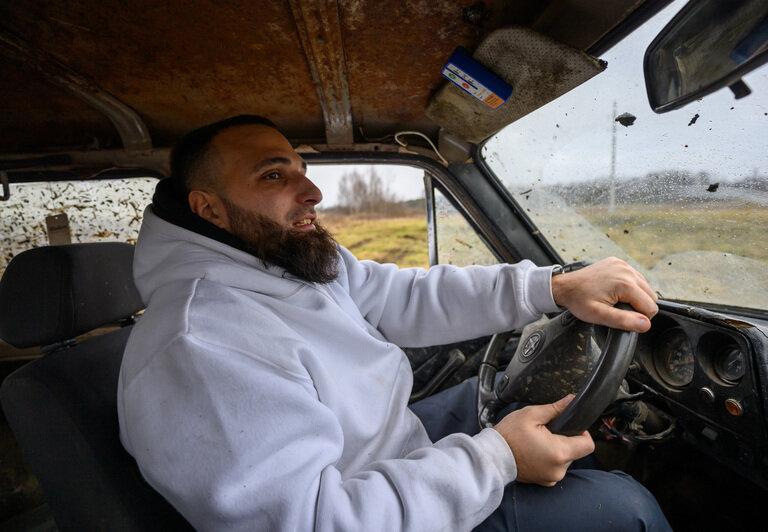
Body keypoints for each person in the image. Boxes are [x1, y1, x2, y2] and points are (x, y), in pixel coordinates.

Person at [118, 115, 671, 531]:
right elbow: (313, 521)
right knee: (627, 509)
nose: (312, 192)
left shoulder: (277, 261)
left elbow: (401, 295)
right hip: (364, 506)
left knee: (530, 398)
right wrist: (496, 459)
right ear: (208, 210)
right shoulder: (200, 343)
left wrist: (551, 287)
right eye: (272, 175)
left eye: (302, 171)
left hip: (385, 448)